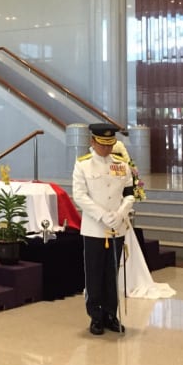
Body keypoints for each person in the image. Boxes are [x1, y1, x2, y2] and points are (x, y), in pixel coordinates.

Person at [72, 123, 135, 336]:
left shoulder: (121, 164)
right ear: (93, 141)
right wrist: (102, 215)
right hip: (94, 229)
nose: (107, 149)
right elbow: (80, 195)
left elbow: (129, 193)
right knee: (94, 273)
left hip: (117, 227)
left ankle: (110, 314)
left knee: (111, 273)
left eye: (110, 144)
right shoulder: (83, 164)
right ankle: (96, 316)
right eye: (102, 144)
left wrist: (121, 213)